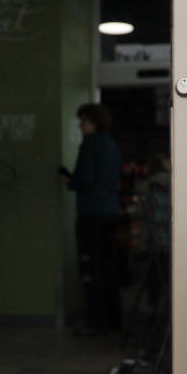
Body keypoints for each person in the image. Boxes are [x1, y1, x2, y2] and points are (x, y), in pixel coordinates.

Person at [63, 103, 123, 335]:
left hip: (91, 213)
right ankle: (113, 317)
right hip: (110, 211)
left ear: (93, 122)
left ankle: (96, 321)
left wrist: (70, 181)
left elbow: (84, 178)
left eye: (84, 121)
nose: (80, 125)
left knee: (91, 266)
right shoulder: (112, 145)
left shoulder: (90, 144)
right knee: (108, 266)